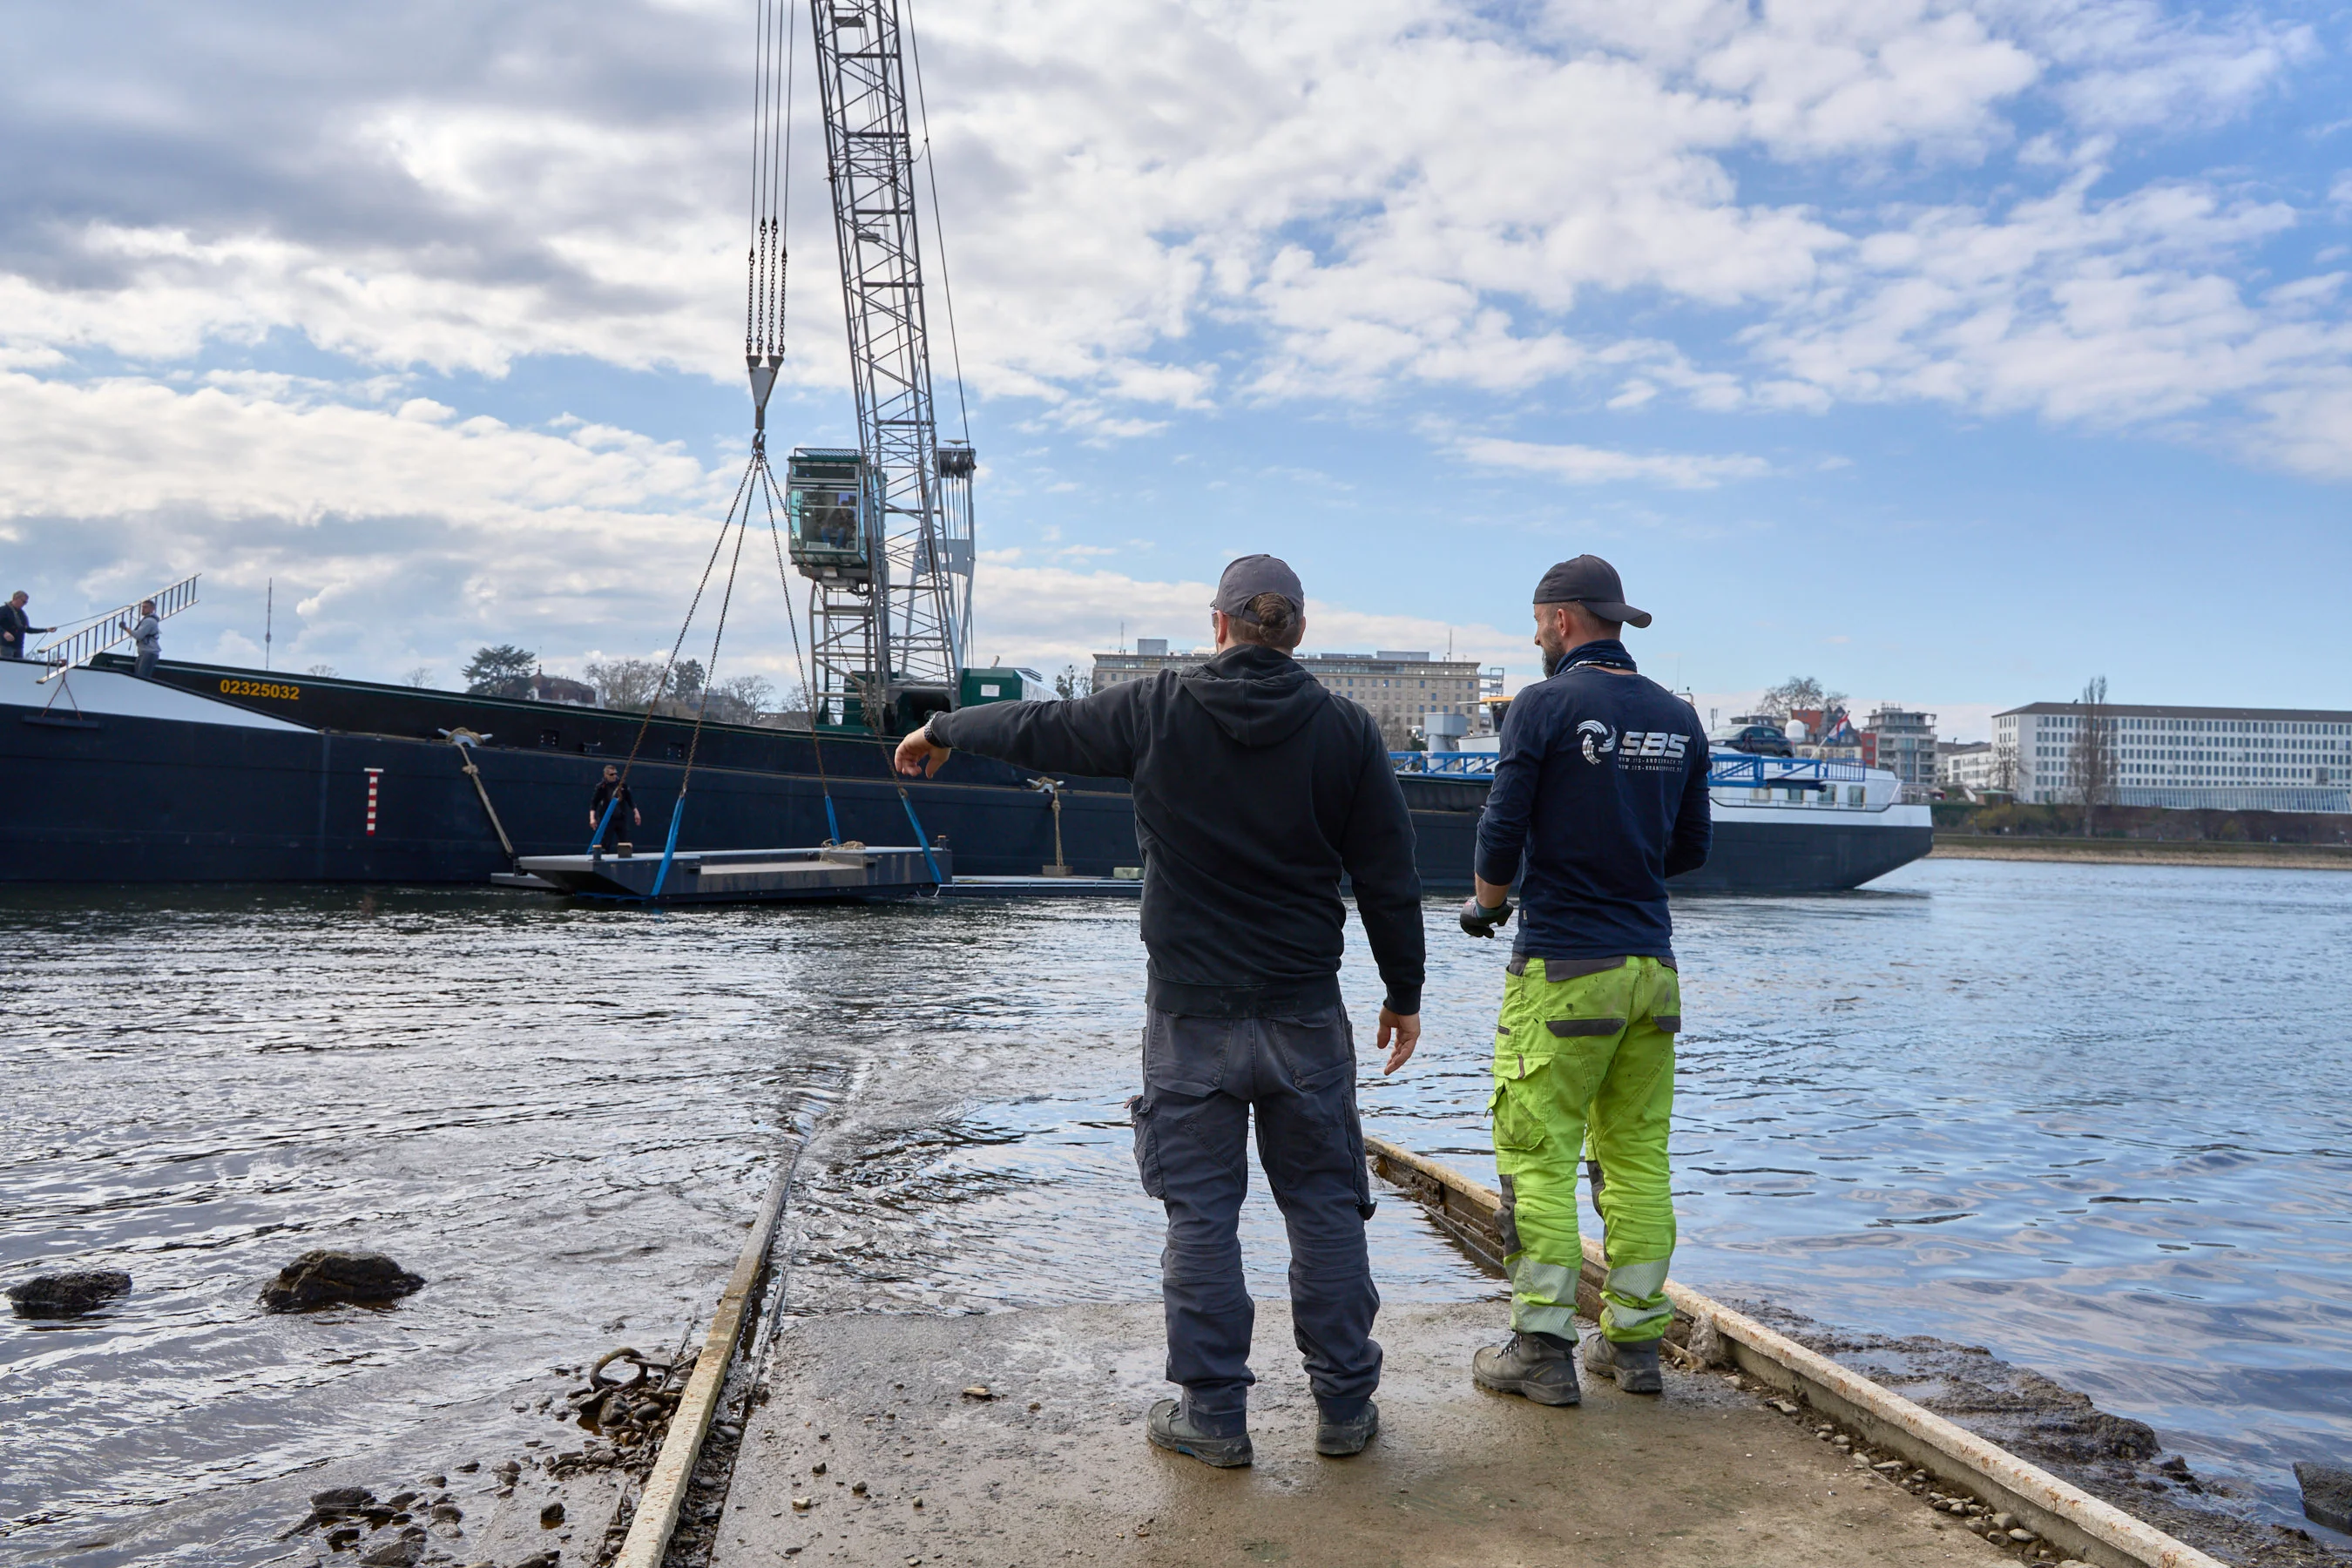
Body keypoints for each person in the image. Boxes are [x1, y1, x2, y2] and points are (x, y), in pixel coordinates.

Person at [893, 554, 1424, 1468]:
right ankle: (1344, 1409)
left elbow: (1037, 726)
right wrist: (1403, 994)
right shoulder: (1345, 730)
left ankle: (1213, 1420)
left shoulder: (1155, 708)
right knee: (1326, 1210)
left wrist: (943, 726)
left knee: (1202, 1218)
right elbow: (1388, 873)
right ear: (1297, 630)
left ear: (1217, 625)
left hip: (1189, 1020)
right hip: (1305, 1015)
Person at [1459, 555, 1709, 1406]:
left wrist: (1486, 905)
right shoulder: (1678, 716)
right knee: (1637, 1158)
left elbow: (1502, 829)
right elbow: (1688, 852)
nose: (1534, 639)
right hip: (1653, 969)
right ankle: (1635, 1351)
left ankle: (1540, 1352)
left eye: (1536, 624)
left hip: (1565, 965)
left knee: (1537, 1156)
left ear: (1562, 621)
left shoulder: (1544, 704)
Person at [589, 764, 641, 853]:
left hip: (621, 817)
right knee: (605, 843)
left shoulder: (622, 785)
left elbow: (630, 800)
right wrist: (592, 818)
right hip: (608, 819)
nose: (614, 776)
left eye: (615, 774)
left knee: (625, 841)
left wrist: (636, 813)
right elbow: (594, 803)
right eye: (611, 774)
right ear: (606, 775)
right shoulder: (601, 787)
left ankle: (626, 860)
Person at [1, 591, 54, 660]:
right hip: (5, 645)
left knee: (18, 666)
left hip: (18, 646)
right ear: (16, 599)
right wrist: (4, 633)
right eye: (23, 602)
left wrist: (46, 630)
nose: (24, 604)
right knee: (6, 666)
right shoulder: (3, 610)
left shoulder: (22, 614)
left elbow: (27, 629)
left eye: (26, 602)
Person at [122, 599, 161, 679]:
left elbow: (138, 635)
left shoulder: (149, 621)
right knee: (138, 677)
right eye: (142, 607)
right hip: (145, 652)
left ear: (152, 609)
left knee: (142, 678)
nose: (143, 609)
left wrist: (125, 628)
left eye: (145, 607)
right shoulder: (148, 620)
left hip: (149, 652)